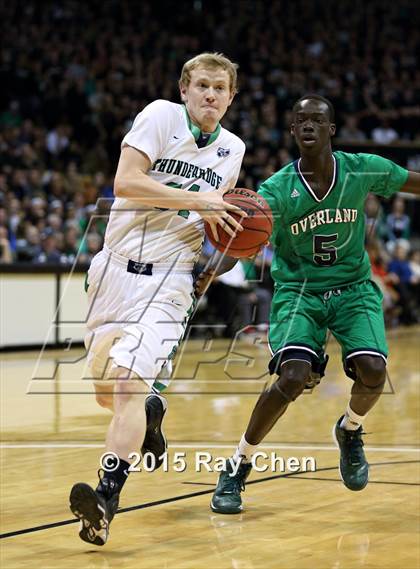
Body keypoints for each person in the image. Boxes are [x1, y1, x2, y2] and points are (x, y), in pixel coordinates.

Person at [200, 94, 420, 514]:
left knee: (374, 371)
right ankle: (237, 465)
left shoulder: (361, 169)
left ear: (331, 130)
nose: (307, 125)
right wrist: (209, 272)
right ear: (292, 130)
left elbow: (412, 180)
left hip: (354, 288)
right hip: (300, 294)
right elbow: (244, 239)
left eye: (316, 120)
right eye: (299, 119)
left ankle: (350, 430)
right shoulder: (278, 190)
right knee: (292, 376)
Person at [69, 52, 246, 545]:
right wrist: (197, 200)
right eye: (203, 86)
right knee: (108, 394)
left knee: (125, 384)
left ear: (231, 99)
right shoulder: (161, 116)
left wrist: (219, 259)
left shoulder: (233, 150)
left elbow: (217, 222)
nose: (211, 95)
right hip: (114, 270)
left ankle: (106, 497)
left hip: (171, 280)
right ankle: (150, 410)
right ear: (185, 90)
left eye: (221, 89)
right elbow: (125, 182)